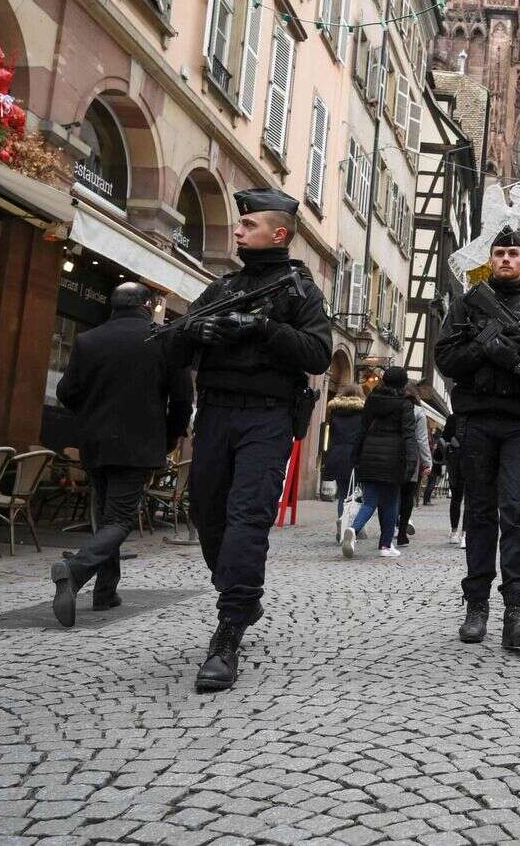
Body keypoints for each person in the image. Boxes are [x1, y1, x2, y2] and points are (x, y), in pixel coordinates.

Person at [171, 188, 332, 693]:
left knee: (246, 518)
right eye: (239, 225)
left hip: (267, 418)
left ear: (278, 234)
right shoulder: (223, 286)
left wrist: (263, 329)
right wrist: (200, 334)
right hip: (216, 414)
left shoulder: (301, 291)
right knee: (205, 512)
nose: (237, 231)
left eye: (248, 225)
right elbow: (174, 341)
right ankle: (239, 593)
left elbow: (318, 353)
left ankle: (228, 632)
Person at [433, 227, 520, 648]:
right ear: (489, 261)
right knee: (479, 514)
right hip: (476, 423)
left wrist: (518, 359)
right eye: (500, 254)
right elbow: (445, 359)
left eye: (514, 254)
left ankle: (517, 610)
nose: (507, 259)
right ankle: (476, 605)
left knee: (517, 513)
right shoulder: (467, 306)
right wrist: (484, 348)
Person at [49, 283, 193, 627]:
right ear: (147, 305)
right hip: (140, 442)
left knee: (104, 515)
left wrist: (91, 415)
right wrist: (171, 434)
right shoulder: (164, 339)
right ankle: (74, 570)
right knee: (120, 519)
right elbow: (183, 398)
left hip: (95, 442)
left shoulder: (88, 340)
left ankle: (105, 592)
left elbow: (66, 392)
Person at [343, 366, 416, 558]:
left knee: (370, 501)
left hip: (369, 453)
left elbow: (362, 429)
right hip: (393, 457)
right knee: (391, 501)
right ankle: (385, 545)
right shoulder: (405, 403)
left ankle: (353, 529)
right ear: (403, 383)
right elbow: (409, 435)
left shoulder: (372, 400)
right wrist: (411, 461)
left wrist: (356, 455)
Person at [322, 383, 366, 538]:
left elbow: (331, 436)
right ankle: (354, 528)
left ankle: (342, 524)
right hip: (355, 456)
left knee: (342, 494)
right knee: (357, 495)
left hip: (337, 454)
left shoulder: (335, 412)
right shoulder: (363, 413)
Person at [395, 383, 432, 548]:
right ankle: (402, 532)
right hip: (411, 457)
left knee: (393, 494)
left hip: (392, 455)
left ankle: (390, 529)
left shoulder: (393, 409)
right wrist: (427, 461)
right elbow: (422, 440)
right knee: (407, 495)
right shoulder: (419, 412)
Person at [440, 413, 465, 546]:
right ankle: (465, 535)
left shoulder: (453, 417)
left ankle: (454, 532)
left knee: (456, 498)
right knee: (470, 500)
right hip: (472, 461)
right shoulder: (476, 417)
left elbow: (444, 438)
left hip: (455, 461)